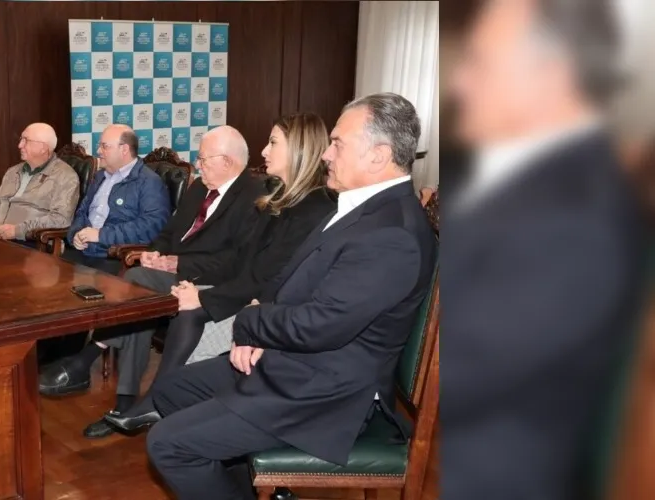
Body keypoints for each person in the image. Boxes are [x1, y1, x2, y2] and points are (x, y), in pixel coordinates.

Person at [144, 93, 437, 500]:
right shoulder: (360, 208)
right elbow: (291, 284)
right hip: (297, 361)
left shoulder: (392, 234)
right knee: (171, 390)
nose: (326, 155)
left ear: (378, 155)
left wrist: (249, 326)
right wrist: (261, 331)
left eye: (337, 144)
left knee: (168, 444)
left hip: (325, 391)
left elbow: (321, 326)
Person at [444, 1, 644, 500]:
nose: (458, 85)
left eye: (478, 62)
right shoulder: (508, 175)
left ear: (554, 76)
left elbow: (463, 375)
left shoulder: (578, 214)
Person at [104, 113, 337, 436]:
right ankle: (157, 403)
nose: (264, 152)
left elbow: (268, 279)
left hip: (268, 309)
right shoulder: (279, 199)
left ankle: (158, 402)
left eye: (273, 143)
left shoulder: (312, 208)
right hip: (239, 290)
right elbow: (243, 262)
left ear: (299, 148)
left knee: (190, 311)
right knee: (180, 303)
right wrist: (197, 289)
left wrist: (204, 296)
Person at [37, 126, 268, 439]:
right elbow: (169, 231)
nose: (198, 166)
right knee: (138, 297)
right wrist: (155, 251)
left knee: (134, 283)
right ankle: (127, 403)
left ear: (227, 162)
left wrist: (178, 262)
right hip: (171, 270)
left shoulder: (254, 197)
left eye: (203, 159)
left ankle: (92, 363)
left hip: (207, 280)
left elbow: (236, 260)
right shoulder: (201, 187)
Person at [62, 124, 171, 274]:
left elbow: (151, 226)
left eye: (104, 146)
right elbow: (82, 212)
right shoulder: (100, 176)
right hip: (81, 252)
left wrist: (101, 235)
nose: (98, 151)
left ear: (124, 149)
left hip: (113, 258)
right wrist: (76, 234)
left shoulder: (149, 182)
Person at [0, 123, 80, 246]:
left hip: (31, 244)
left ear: (43, 147)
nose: (19, 145)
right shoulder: (13, 172)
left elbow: (61, 219)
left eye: (26, 141)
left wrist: (17, 231)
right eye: (21, 139)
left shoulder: (65, 176)